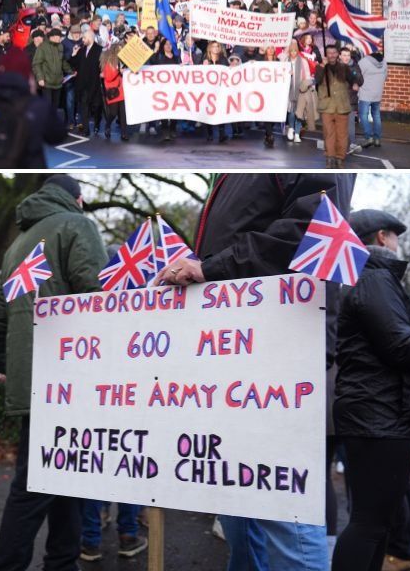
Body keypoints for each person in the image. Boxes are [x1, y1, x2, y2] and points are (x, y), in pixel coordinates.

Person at [155, 173, 349, 571]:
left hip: (278, 349)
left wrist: (211, 268)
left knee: (283, 510)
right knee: (234, 493)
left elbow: (313, 224)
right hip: (233, 346)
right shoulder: (236, 168)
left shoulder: (300, 157)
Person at [0, 175, 112, 570]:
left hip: (34, 379)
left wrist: (5, 368)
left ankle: (62, 561)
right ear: (78, 197)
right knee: (34, 484)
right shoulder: (77, 224)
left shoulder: (16, 247)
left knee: (68, 480)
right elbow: (99, 296)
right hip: (70, 380)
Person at [332, 210, 410, 571]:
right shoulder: (374, 280)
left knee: (376, 522)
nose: (399, 242)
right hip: (377, 414)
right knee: (368, 523)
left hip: (380, 412)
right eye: (396, 236)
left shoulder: (367, 278)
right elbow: (402, 347)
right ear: (382, 237)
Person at [316, 44, 354, 167]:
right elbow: (317, 80)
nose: (331, 55)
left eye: (334, 53)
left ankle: (340, 158)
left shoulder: (344, 67)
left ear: (337, 54)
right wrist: (322, 67)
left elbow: (354, 79)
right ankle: (330, 157)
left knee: (342, 134)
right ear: (326, 54)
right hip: (327, 106)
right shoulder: (320, 67)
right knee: (328, 133)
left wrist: (354, 75)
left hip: (342, 106)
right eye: (329, 53)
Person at [357, 49, 386, 148]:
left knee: (363, 115)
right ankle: (377, 139)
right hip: (377, 93)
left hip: (366, 93)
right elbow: (385, 76)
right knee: (376, 116)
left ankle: (368, 137)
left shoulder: (364, 62)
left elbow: (358, 76)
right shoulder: (384, 62)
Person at [99, 45, 127, 141]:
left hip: (122, 90)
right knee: (114, 113)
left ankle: (124, 133)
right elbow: (108, 78)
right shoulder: (109, 62)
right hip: (113, 91)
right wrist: (118, 71)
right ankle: (108, 124)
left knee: (123, 113)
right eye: (119, 50)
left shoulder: (122, 61)